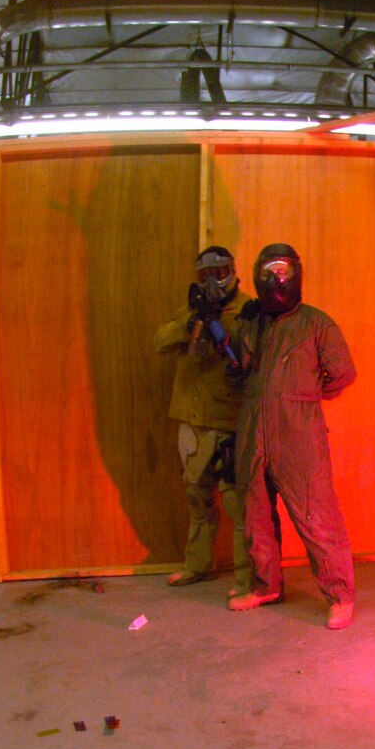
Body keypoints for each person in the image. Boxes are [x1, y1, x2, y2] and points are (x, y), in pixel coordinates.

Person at [225, 242, 359, 630]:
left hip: (298, 431)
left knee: (316, 513)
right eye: (268, 272)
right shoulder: (249, 323)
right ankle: (266, 586)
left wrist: (300, 397)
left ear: (297, 275)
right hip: (253, 428)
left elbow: (343, 374)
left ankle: (340, 595)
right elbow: (235, 374)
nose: (275, 280)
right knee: (255, 513)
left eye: (282, 271)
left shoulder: (317, 324)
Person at [154, 246, 251, 593]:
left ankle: (247, 578)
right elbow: (162, 341)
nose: (213, 280)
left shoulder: (247, 310)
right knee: (198, 499)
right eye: (205, 275)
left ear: (233, 270)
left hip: (229, 421)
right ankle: (197, 565)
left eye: (220, 271)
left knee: (237, 505)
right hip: (193, 420)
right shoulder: (191, 308)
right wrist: (192, 320)